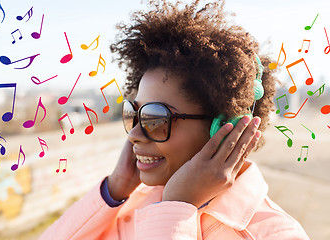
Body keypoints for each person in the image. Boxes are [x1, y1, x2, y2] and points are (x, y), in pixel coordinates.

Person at [39, 0, 309, 239]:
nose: (134, 134)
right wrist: (114, 189)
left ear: (223, 130)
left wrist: (175, 209)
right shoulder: (134, 204)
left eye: (155, 118)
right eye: (134, 114)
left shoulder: (275, 234)